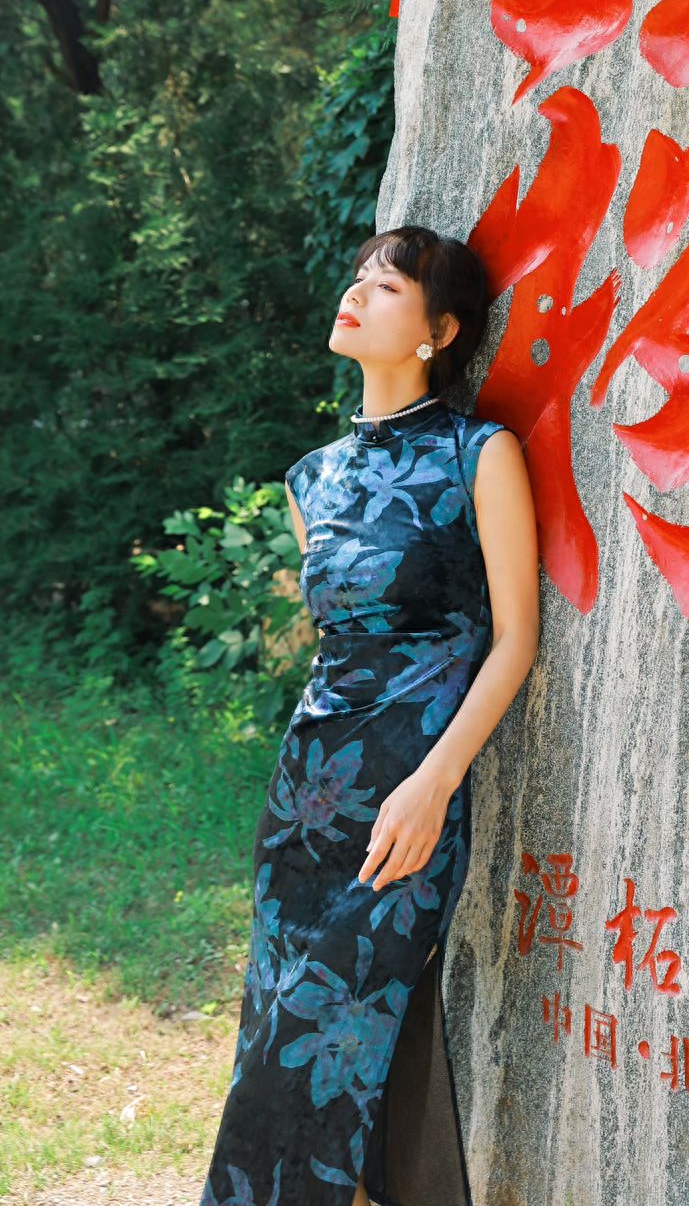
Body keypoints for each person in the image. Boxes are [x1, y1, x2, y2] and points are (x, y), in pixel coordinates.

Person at [201, 224, 539, 1206]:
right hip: (306, 801)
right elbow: (332, 651)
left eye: (383, 288)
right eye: (357, 279)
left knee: (326, 1049)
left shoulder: (479, 455)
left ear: (438, 331)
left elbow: (512, 638)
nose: (355, 294)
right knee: (273, 1048)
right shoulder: (312, 481)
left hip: (411, 801)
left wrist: (433, 784)